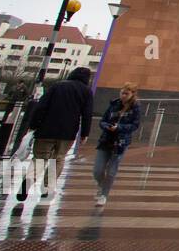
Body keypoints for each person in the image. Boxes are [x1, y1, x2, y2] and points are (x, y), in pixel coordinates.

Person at [21, 67, 94, 200]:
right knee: (58, 158)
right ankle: (47, 188)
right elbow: (87, 114)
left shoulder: (57, 86)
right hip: (68, 132)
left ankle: (29, 180)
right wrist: (84, 133)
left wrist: (33, 125)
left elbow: (41, 107)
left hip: (46, 129)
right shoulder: (86, 91)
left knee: (40, 158)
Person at [92, 83, 142, 206]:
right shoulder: (114, 104)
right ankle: (101, 186)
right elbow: (103, 120)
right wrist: (107, 126)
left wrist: (119, 127)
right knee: (97, 170)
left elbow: (135, 125)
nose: (123, 95)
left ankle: (104, 194)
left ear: (132, 94)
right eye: (122, 92)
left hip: (120, 142)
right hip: (106, 140)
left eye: (126, 93)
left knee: (111, 171)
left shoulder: (135, 108)